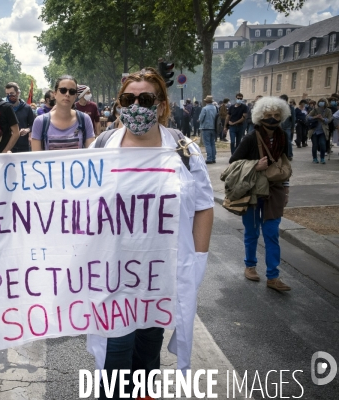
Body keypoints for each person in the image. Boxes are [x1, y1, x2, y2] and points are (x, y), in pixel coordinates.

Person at [87, 68, 214, 399]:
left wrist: (197, 262)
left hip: (159, 278)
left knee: (146, 363)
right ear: (119, 104)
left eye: (146, 99)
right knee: (114, 368)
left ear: (161, 105)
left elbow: (203, 205)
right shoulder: (102, 145)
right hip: (113, 279)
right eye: (129, 99)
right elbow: (80, 204)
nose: (137, 106)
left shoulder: (183, 149)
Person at [229, 97, 291, 291]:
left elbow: (286, 164)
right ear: (259, 117)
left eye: (276, 115)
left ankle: (273, 276)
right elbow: (233, 163)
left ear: (282, 116)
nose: (272, 119)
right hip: (253, 192)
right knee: (252, 232)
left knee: (272, 233)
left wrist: (286, 188)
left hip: (275, 192)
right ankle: (250, 266)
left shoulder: (284, 137)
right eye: (268, 115)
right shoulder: (250, 138)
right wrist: (256, 165)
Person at [31, 75, 95, 151]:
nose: (67, 94)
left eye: (72, 91)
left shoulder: (85, 119)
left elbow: (91, 155)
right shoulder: (40, 122)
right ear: (55, 94)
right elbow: (36, 159)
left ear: (75, 96)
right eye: (63, 90)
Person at [5, 82, 35, 153]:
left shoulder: (27, 108)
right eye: (7, 94)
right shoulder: (4, 109)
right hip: (9, 148)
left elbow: (33, 125)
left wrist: (27, 130)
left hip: (24, 147)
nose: (9, 96)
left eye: (12, 93)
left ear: (18, 93)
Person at [307, 98, 333, 164]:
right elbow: (308, 117)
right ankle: (315, 158)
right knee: (315, 145)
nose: (321, 103)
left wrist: (322, 118)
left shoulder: (328, 111)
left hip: (323, 131)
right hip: (314, 131)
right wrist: (315, 117)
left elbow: (329, 120)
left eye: (323, 102)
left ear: (325, 103)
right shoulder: (315, 110)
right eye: (320, 102)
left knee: (322, 144)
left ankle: (322, 158)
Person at [199, 95, 218, 164]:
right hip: (214, 127)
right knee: (212, 143)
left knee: (207, 144)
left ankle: (209, 158)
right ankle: (213, 158)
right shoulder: (215, 108)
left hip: (206, 127)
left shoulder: (204, 109)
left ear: (206, 101)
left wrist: (199, 120)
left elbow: (201, 118)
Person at [279, 94, 295, 161]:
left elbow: (293, 118)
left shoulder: (290, 108)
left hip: (287, 127)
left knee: (288, 141)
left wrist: (292, 127)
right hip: (279, 127)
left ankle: (289, 155)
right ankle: (280, 155)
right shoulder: (278, 107)